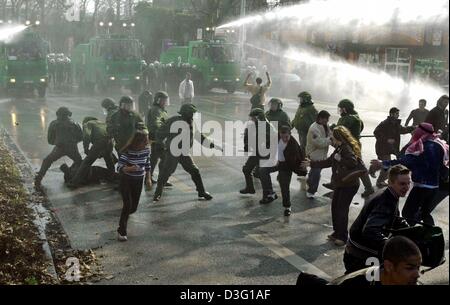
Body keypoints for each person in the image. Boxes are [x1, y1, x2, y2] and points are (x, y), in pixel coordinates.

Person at [371, 123, 449, 226]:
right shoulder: (439, 145)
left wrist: (382, 163)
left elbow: (405, 162)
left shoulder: (422, 147)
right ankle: (431, 235)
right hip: (435, 188)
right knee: (425, 214)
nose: (414, 132)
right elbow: (442, 166)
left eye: (417, 130)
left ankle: (408, 235)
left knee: (407, 213)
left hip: (422, 187)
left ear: (421, 132)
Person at [344, 165, 411, 273]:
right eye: (402, 184)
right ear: (390, 182)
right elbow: (371, 231)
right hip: (362, 255)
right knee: (368, 281)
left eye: (409, 183)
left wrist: (409, 229)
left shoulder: (389, 193)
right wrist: (391, 246)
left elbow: (394, 217)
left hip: (357, 251)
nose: (407, 187)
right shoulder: (386, 201)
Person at [302, 126, 362, 246]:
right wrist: (311, 163)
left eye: (332, 137)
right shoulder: (339, 148)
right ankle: (337, 232)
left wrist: (340, 159)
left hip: (349, 184)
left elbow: (352, 162)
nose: (330, 139)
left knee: (342, 209)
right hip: (341, 183)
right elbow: (329, 161)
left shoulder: (345, 148)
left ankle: (343, 236)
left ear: (337, 137)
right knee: (335, 207)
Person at [297, 236, 422, 285]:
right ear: (389, 266)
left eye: (418, 267)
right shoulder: (358, 283)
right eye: (409, 268)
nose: (417, 274)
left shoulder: (407, 282)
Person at [153, 104, 214, 202]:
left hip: (184, 153)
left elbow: (198, 135)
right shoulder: (173, 121)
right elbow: (160, 132)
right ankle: (157, 193)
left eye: (193, 113)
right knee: (166, 173)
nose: (193, 115)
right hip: (173, 152)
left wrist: (208, 144)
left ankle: (201, 192)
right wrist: (160, 145)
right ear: (185, 113)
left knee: (194, 171)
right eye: (191, 113)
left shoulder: (192, 123)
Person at [259, 126, 307, 215]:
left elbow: (298, 159)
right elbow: (270, 143)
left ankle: (287, 207)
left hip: (287, 166)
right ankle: (270, 194)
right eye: (282, 137)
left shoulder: (293, 145)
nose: (284, 139)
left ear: (290, 134)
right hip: (276, 162)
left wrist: (302, 169)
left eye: (286, 137)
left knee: (284, 186)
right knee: (262, 170)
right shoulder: (277, 137)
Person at [117, 126, 152, 242]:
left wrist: (148, 178)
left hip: (139, 180)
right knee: (127, 205)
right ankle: (122, 231)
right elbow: (119, 167)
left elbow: (147, 164)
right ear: (137, 142)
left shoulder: (147, 150)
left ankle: (125, 215)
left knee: (133, 208)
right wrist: (129, 168)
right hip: (126, 180)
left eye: (146, 141)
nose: (146, 143)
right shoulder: (128, 151)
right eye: (144, 141)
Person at [334, 99, 374, 198]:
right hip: (352, 144)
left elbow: (340, 129)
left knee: (359, 166)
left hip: (350, 146)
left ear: (345, 109)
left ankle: (369, 188)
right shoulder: (355, 117)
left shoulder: (349, 118)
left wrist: (332, 127)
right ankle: (336, 184)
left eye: (341, 109)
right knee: (353, 165)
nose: (340, 111)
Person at [35, 107, 82, 187]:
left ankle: (39, 178)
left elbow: (50, 140)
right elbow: (81, 137)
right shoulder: (75, 123)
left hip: (59, 147)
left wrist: (57, 142)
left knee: (47, 160)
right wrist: (73, 142)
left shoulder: (54, 124)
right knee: (79, 162)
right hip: (72, 147)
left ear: (58, 114)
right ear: (68, 114)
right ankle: (77, 179)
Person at [68, 117, 116, 188]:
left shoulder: (88, 124)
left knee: (86, 163)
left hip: (99, 143)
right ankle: (112, 178)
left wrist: (86, 148)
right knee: (109, 161)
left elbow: (86, 136)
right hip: (110, 142)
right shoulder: (102, 123)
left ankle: (75, 182)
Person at [373, 108, 415, 187]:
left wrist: (413, 128)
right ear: (391, 114)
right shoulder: (384, 123)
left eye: (398, 114)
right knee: (386, 165)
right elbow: (376, 132)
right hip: (383, 147)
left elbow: (403, 130)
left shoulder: (396, 124)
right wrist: (387, 139)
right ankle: (379, 182)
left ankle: (373, 169)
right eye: (396, 114)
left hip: (391, 147)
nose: (398, 115)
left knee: (388, 164)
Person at [239, 108, 276, 195]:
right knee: (246, 169)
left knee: (262, 173)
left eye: (253, 118)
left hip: (265, 153)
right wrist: (247, 145)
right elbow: (248, 135)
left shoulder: (268, 127)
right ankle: (250, 188)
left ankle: (269, 193)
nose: (251, 119)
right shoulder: (254, 125)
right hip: (257, 152)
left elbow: (270, 141)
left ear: (258, 117)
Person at [146, 91, 171, 186]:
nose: (165, 102)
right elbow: (156, 124)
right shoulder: (156, 110)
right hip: (157, 137)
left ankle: (149, 177)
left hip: (158, 137)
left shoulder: (162, 110)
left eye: (166, 100)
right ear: (158, 100)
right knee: (165, 158)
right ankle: (162, 179)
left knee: (154, 158)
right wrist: (164, 131)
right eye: (163, 100)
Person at [305, 110, 332, 199]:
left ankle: (309, 181)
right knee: (316, 172)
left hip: (321, 154)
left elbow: (330, 134)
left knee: (315, 170)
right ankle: (311, 191)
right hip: (314, 154)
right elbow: (319, 143)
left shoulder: (325, 125)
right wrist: (330, 140)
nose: (327, 121)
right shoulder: (314, 129)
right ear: (320, 118)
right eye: (326, 119)